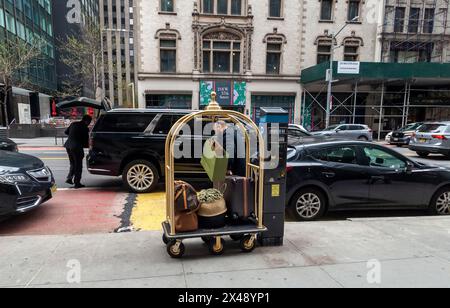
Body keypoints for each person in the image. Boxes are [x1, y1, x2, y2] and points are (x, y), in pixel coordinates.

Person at [64, 115, 92, 189]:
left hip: (68, 145)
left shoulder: (74, 124)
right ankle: (77, 183)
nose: (89, 123)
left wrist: (73, 136)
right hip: (77, 147)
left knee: (72, 163)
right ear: (87, 121)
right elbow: (86, 141)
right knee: (78, 165)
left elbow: (66, 132)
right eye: (89, 122)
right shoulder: (85, 128)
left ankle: (69, 178)